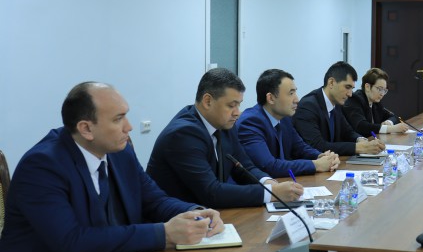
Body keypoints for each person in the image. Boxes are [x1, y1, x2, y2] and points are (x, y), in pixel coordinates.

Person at [0, 82, 224, 252]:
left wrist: (196, 213)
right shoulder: (42, 166)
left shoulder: (120, 151)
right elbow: (71, 241)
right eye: (118, 119)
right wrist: (164, 234)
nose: (129, 127)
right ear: (86, 128)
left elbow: (155, 200)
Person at [147, 68, 303, 209]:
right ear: (208, 101)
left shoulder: (224, 125)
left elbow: (245, 166)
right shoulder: (183, 134)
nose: (237, 113)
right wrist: (271, 193)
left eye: (239, 105)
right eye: (231, 105)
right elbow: (211, 192)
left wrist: (267, 182)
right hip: (178, 220)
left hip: (210, 215)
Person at [238, 69, 340, 178]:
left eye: (295, 92)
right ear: (271, 98)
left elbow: (301, 148)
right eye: (291, 93)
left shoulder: (284, 118)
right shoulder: (250, 122)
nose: (297, 99)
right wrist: (316, 165)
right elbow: (269, 166)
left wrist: (323, 157)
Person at [293, 61, 385, 156]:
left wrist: (361, 140)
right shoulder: (308, 106)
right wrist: (359, 148)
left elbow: (347, 132)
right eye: (347, 87)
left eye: (352, 88)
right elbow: (317, 145)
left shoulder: (337, 103)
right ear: (331, 83)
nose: (350, 94)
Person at [343, 67, 410, 136]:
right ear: (367, 87)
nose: (382, 94)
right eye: (380, 89)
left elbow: (394, 117)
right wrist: (391, 128)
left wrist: (389, 122)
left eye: (384, 90)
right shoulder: (355, 99)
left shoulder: (375, 103)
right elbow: (361, 126)